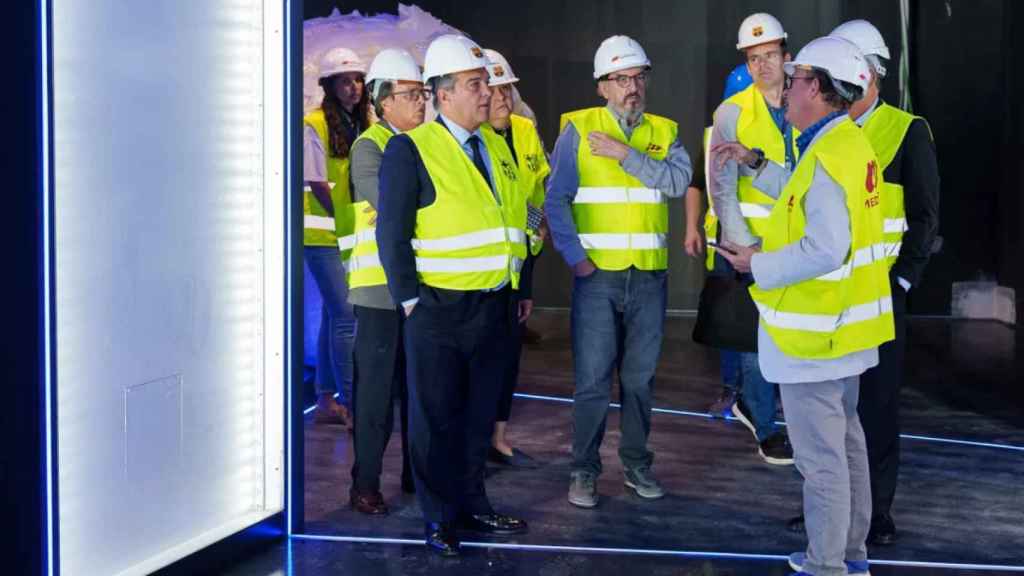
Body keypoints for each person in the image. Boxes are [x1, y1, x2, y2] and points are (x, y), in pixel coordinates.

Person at [712, 36, 894, 576]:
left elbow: (826, 246)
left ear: (816, 87)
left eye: (794, 80)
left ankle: (826, 564)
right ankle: (851, 555)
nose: (784, 88)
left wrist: (755, 266)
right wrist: (756, 162)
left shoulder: (829, 151)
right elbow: (804, 195)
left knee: (822, 462)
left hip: (816, 336)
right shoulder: (845, 145)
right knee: (849, 446)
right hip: (846, 330)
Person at [786, 19, 941, 546]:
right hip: (831, 294)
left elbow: (924, 215)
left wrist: (903, 283)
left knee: (875, 404)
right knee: (834, 408)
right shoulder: (822, 131)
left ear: (871, 74)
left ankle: (875, 514)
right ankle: (831, 514)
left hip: (879, 294)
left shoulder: (904, 129)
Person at [376, 34, 530, 557]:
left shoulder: (494, 145)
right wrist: (411, 302)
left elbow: (515, 219)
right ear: (443, 95)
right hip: (438, 311)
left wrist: (518, 287)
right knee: (435, 419)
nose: (487, 92)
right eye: (474, 84)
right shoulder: (411, 148)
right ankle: (439, 518)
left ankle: (472, 504)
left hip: (493, 306)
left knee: (477, 416)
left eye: (484, 82)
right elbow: (390, 234)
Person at [545, 35, 692, 508]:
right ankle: (584, 471)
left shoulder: (665, 131)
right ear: (602, 86)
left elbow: (678, 181)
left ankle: (635, 466)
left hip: (648, 276)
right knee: (591, 382)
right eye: (622, 79)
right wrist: (576, 259)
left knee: (639, 380)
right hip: (597, 278)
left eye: (638, 77)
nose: (633, 87)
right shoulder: (577, 129)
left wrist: (626, 155)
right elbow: (556, 199)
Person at [708, 13, 798, 464]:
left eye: (770, 55)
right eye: (753, 58)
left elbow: (807, 183)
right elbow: (721, 188)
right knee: (752, 341)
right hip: (749, 245)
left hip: (798, 245)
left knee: (793, 336)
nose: (763, 65)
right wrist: (745, 247)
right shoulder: (731, 112)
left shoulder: (810, 101)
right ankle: (765, 424)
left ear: (786, 53)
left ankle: (769, 410)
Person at [343, 48, 424, 516]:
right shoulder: (368, 146)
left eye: (422, 94)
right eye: (410, 94)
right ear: (382, 101)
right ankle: (365, 483)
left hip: (419, 285)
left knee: (419, 390)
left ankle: (417, 474)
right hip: (378, 291)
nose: (420, 103)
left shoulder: (426, 143)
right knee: (374, 395)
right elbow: (394, 203)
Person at [483, 48, 550, 469]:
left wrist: (536, 226)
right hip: (482, 267)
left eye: (507, 88)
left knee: (509, 355)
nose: (503, 97)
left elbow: (535, 190)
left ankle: (499, 437)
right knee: (482, 360)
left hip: (521, 259)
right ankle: (475, 441)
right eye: (493, 89)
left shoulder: (525, 130)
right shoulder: (472, 140)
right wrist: (529, 218)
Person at [303, 47, 368, 428]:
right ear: (329, 85)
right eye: (345, 80)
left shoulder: (359, 121)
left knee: (333, 315)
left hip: (346, 233)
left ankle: (327, 399)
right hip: (322, 233)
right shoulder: (315, 123)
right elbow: (316, 181)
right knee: (346, 315)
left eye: (358, 80)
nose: (353, 87)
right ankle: (354, 402)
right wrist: (347, 220)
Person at [697, 63, 753, 418]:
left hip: (769, 241)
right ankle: (732, 389)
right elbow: (696, 183)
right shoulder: (714, 133)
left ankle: (763, 394)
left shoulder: (781, 127)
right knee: (731, 321)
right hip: (728, 243)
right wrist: (692, 226)